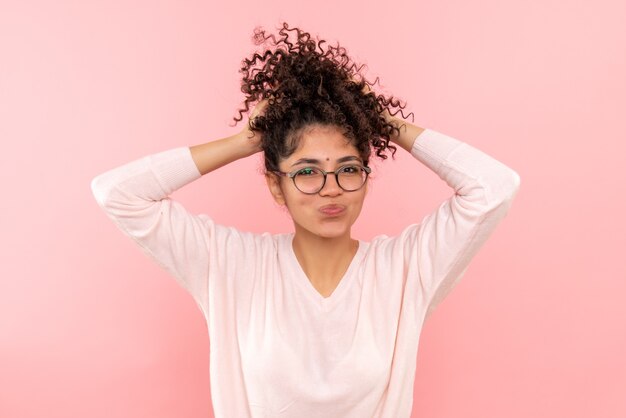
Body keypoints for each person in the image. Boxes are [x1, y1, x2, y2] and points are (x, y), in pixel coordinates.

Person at [91, 22, 520, 418]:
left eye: (348, 168)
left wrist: (382, 120)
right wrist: (241, 142)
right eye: (307, 172)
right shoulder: (232, 264)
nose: (331, 188)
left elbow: (495, 186)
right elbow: (118, 193)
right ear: (277, 186)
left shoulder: (404, 270)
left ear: (366, 179)